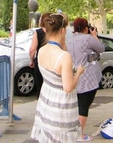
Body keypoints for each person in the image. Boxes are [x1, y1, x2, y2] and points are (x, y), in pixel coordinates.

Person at [31, 12, 85, 143]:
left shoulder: (42, 50)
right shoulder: (63, 57)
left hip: (46, 102)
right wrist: (78, 73)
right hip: (61, 107)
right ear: (63, 30)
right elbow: (68, 87)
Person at [67, 17, 105, 142]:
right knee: (84, 106)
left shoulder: (70, 41)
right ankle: (80, 135)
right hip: (87, 78)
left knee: (77, 106)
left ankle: (74, 132)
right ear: (86, 28)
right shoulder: (88, 39)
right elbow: (101, 48)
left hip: (74, 77)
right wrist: (94, 35)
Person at [29, 12, 52, 97]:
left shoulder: (38, 32)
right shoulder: (55, 32)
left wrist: (31, 60)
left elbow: (33, 49)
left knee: (41, 86)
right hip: (52, 62)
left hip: (40, 62)